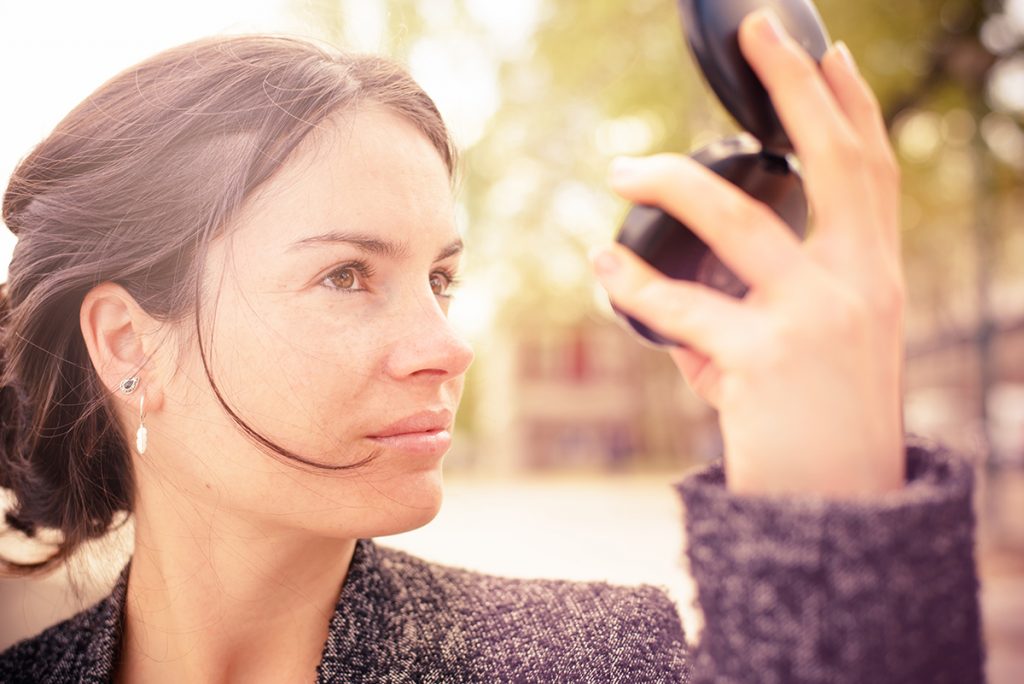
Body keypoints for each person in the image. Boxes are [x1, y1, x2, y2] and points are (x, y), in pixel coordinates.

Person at [0, 9, 983, 683]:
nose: (446, 345)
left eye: (440, 278)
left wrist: (837, 513)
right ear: (129, 341)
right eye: (347, 275)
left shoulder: (594, 659)